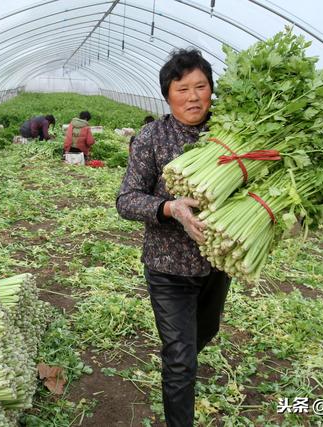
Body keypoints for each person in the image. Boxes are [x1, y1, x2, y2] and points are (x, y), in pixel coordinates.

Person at [116, 48, 231, 427]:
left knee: (204, 333)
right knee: (182, 359)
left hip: (217, 261)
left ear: (212, 91)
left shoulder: (230, 133)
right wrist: (171, 208)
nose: (194, 96)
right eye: (183, 88)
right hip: (168, 267)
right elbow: (127, 200)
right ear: (168, 94)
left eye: (201, 86)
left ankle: (177, 356)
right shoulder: (152, 136)